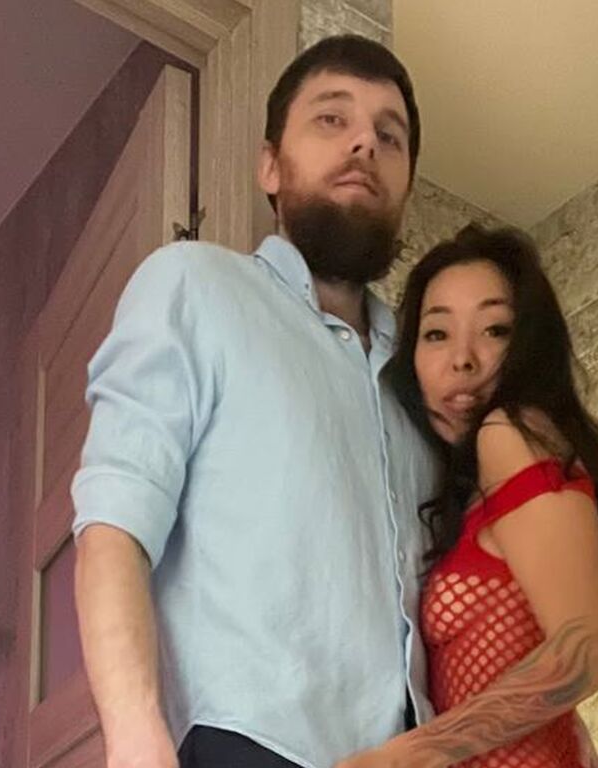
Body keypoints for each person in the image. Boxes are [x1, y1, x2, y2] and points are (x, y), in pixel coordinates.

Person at [71, 35, 436, 768]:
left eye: (389, 136)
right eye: (332, 119)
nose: (365, 142)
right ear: (270, 165)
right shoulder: (194, 286)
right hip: (246, 746)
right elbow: (115, 519)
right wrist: (135, 737)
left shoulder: (421, 376)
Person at [338, 225, 598, 768]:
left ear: (529, 345)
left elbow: (590, 652)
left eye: (495, 329)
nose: (463, 359)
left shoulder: (508, 432)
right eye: (436, 334)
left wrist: (406, 756)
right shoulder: (476, 486)